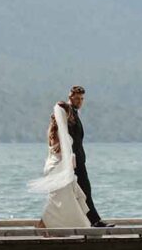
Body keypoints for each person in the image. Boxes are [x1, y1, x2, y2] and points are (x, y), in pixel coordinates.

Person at [27, 86, 111, 228]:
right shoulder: (67, 114)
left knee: (77, 193)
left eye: (82, 99)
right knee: (81, 191)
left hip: (78, 160)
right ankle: (94, 221)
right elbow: (65, 138)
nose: (80, 101)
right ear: (70, 97)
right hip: (71, 162)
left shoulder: (74, 115)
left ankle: (88, 220)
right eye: (77, 98)